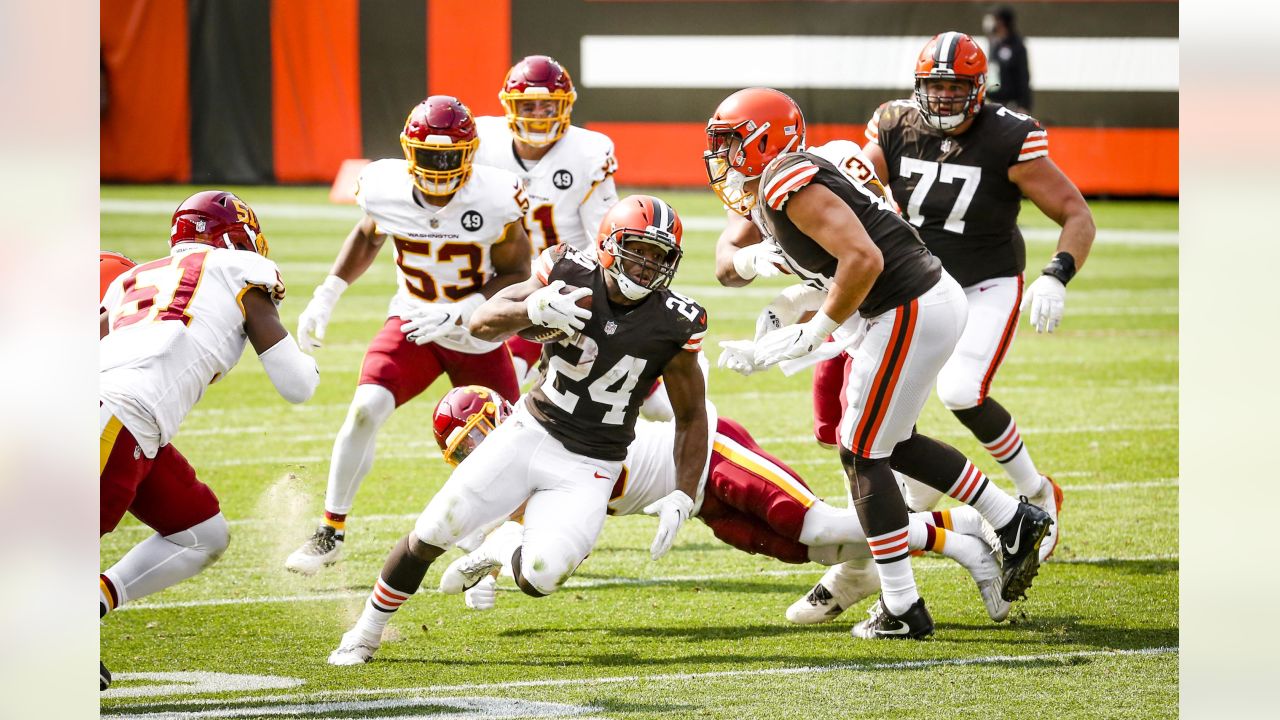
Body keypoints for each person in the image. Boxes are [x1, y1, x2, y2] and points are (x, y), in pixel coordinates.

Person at [704, 87, 1051, 640]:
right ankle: (1013, 520)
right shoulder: (791, 177)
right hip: (919, 301)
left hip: (904, 307)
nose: (721, 156)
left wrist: (813, 330)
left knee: (862, 453)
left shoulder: (787, 180)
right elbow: (734, 261)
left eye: (731, 143)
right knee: (894, 442)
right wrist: (758, 264)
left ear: (763, 141)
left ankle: (902, 606)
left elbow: (863, 258)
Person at [326, 195, 709, 665]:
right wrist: (535, 309)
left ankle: (504, 543)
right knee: (432, 530)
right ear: (608, 244)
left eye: (659, 255)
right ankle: (365, 632)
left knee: (541, 577)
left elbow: (691, 416)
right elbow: (483, 323)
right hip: (528, 430)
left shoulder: (675, 320)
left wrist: (683, 493)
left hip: (593, 462)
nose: (648, 265)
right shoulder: (568, 272)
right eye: (639, 249)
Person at [429, 385, 1010, 624]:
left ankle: (964, 538)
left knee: (813, 523)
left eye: (483, 433)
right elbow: (528, 555)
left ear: (502, 416)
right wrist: (488, 559)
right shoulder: (500, 488)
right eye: (467, 448)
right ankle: (948, 527)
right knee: (807, 548)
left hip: (706, 458)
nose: (481, 451)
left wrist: (491, 552)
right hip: (699, 504)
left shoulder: (543, 436)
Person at [860, 31, 1094, 560]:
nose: (942, 98)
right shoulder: (893, 124)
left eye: (954, 87)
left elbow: (1076, 213)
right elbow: (857, 194)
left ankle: (1035, 491)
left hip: (985, 280)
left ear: (979, 87)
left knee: (962, 390)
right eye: (934, 87)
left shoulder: (1009, 136)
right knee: (894, 405)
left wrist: (1057, 273)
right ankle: (916, 499)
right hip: (918, 283)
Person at [284, 96, 533, 575]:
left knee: (511, 445)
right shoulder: (385, 186)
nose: (439, 170)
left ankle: (492, 541)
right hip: (413, 324)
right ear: (407, 152)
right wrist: (327, 292)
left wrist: (462, 311)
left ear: (471, 154)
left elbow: (518, 272)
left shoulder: (496, 195)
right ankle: (330, 531)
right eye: (429, 157)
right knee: (363, 411)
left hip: (477, 334)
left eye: (450, 158)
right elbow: (368, 234)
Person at [100, 191, 319, 688]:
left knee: (201, 533)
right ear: (236, 235)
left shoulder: (131, 278)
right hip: (119, 414)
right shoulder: (237, 269)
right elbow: (297, 384)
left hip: (132, 421)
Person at [473, 55, 620, 387]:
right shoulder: (482, 142)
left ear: (565, 107)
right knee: (504, 379)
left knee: (642, 393)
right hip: (507, 286)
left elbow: (606, 237)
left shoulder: (588, 152)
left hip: (569, 282)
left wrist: (585, 290)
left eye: (548, 106)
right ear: (510, 107)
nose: (539, 116)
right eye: (529, 106)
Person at [983, 7, 1032, 113]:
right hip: (994, 100)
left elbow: (1023, 76)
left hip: (1011, 103)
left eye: (995, 19)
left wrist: (1024, 105)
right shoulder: (994, 42)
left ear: (1001, 22)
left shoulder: (1017, 45)